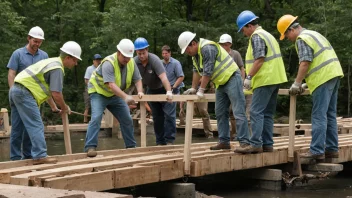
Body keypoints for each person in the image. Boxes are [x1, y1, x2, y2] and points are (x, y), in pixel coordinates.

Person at [277, 15, 344, 159]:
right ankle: (332, 148)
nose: (288, 38)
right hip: (334, 73)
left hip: (323, 77)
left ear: (291, 29)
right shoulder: (314, 34)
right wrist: (306, 82)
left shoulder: (302, 39)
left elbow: (306, 62)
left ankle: (317, 150)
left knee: (319, 115)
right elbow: (320, 59)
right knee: (329, 114)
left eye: (286, 34)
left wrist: (297, 82)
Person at [9, 41, 82, 164]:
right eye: (75, 60)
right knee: (37, 125)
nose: (76, 63)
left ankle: (16, 159)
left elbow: (46, 90)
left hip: (15, 90)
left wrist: (54, 107)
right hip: (25, 92)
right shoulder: (57, 68)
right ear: (68, 57)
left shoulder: (50, 62)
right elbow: (56, 93)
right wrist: (64, 107)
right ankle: (40, 155)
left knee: (18, 127)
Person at [178, 31, 250, 150]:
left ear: (194, 43)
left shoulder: (207, 48)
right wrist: (193, 88)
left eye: (187, 49)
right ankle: (224, 142)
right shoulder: (195, 56)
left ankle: (244, 142)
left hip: (232, 77)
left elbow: (208, 71)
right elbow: (196, 72)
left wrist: (201, 90)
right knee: (220, 112)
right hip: (220, 82)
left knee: (238, 111)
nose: (187, 52)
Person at [234, 11, 288, 154]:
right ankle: (268, 144)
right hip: (275, 78)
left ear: (249, 26)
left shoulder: (256, 36)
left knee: (255, 112)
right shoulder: (268, 35)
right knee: (268, 114)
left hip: (265, 78)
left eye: (243, 30)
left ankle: (256, 144)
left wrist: (249, 77)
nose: (244, 33)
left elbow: (259, 59)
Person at [85, 39, 143, 157]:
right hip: (98, 92)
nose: (127, 59)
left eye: (129, 57)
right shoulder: (109, 63)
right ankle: (90, 147)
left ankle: (131, 147)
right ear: (118, 52)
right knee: (96, 117)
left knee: (126, 118)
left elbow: (137, 79)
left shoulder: (131, 62)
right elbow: (110, 85)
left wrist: (140, 91)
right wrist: (126, 97)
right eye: (125, 57)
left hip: (114, 95)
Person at [7, 26, 48, 160]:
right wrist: (13, 91)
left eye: (39, 42)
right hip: (19, 94)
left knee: (30, 127)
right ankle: (15, 158)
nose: (37, 44)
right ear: (28, 38)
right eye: (35, 41)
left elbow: (44, 79)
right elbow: (11, 74)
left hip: (35, 96)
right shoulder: (18, 54)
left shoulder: (44, 56)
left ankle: (28, 155)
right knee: (18, 128)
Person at [134, 37, 173, 145]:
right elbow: (136, 79)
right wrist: (139, 92)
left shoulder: (154, 60)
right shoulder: (134, 62)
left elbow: (164, 78)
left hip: (162, 89)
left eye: (143, 53)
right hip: (151, 90)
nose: (141, 56)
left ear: (147, 49)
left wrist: (168, 91)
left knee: (169, 115)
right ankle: (160, 142)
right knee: (157, 117)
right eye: (139, 53)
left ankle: (170, 141)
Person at [218, 33, 252, 140]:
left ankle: (243, 137)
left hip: (236, 82)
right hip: (224, 84)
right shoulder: (218, 55)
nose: (223, 46)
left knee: (239, 111)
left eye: (225, 44)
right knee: (228, 112)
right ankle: (232, 134)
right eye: (222, 44)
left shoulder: (235, 54)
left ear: (229, 44)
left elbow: (242, 68)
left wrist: (242, 81)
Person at [83, 54, 102, 123]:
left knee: (98, 105)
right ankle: (85, 120)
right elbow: (86, 80)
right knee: (87, 105)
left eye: (99, 60)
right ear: (93, 61)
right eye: (97, 60)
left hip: (99, 90)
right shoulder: (89, 69)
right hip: (89, 89)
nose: (98, 61)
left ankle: (97, 120)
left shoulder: (101, 68)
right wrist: (92, 86)